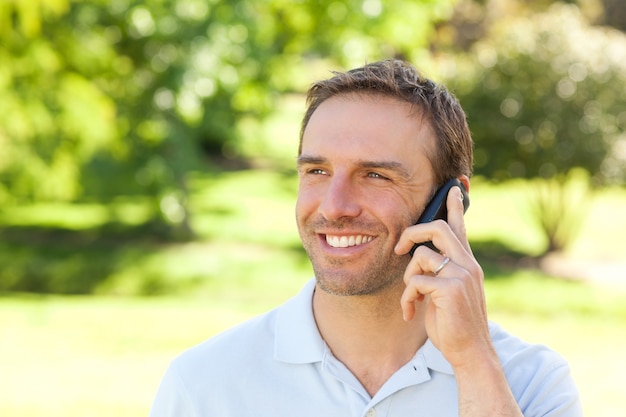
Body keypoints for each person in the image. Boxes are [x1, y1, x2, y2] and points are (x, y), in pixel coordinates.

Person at [149, 59, 582, 416]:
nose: (335, 207)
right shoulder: (203, 385)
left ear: (451, 200)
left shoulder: (531, 384)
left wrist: (473, 364)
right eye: (317, 172)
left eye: (375, 175)